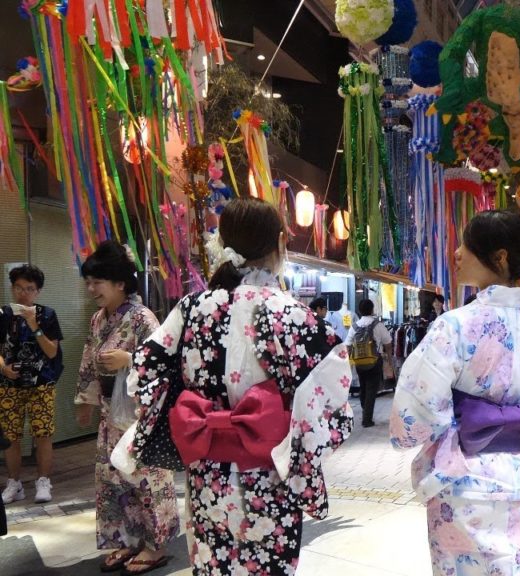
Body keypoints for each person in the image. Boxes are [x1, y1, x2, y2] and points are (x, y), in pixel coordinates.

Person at [131, 197, 353, 574]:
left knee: (213, 563)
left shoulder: (190, 308)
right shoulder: (294, 315)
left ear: (225, 242)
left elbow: (145, 370)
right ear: (280, 243)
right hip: (269, 472)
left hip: (207, 472)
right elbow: (334, 393)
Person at [390, 210, 520, 575]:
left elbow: (416, 406)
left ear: (500, 258)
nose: (457, 253)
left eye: (467, 246)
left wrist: (432, 431)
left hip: (463, 476)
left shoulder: (454, 326)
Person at [74, 241, 178, 574]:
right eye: (88, 283)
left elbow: (166, 364)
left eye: (97, 282)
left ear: (120, 282)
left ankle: (154, 545)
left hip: (140, 418)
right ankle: (124, 538)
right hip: (110, 413)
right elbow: (89, 360)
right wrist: (85, 399)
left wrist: (129, 359)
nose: (91, 289)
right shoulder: (97, 320)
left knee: (145, 480)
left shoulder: (142, 318)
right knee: (110, 480)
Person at [0, 264, 63, 505]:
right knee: (11, 436)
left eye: (29, 289)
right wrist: (3, 367)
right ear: (12, 288)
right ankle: (14, 483)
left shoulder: (47, 315)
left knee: (43, 434)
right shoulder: (3, 315)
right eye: (18, 288)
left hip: (42, 383)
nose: (23, 293)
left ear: (38, 291)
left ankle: (43, 481)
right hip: (8, 384)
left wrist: (34, 324)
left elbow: (51, 351)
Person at [345, 299, 393, 427]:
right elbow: (388, 343)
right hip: (374, 361)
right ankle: (367, 419)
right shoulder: (378, 325)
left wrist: (347, 363)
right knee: (372, 390)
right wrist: (389, 360)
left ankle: (364, 408)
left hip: (359, 363)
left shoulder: (354, 326)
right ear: (372, 310)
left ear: (360, 311)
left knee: (363, 387)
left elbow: (348, 345)